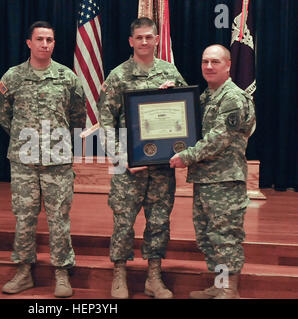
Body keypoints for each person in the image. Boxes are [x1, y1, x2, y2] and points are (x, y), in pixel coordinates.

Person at [97, 17, 187, 299]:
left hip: (161, 166)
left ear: (157, 39)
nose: (145, 42)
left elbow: (186, 111)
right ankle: (119, 275)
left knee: (159, 220)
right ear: (131, 41)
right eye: (140, 38)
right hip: (128, 167)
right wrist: (122, 158)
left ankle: (154, 276)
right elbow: (105, 122)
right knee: (123, 221)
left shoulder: (169, 72)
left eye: (150, 37)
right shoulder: (118, 75)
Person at [0, 21, 86, 298]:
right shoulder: (12, 77)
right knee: (24, 217)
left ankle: (61, 271)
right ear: (29, 43)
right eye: (40, 39)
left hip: (57, 160)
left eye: (49, 40)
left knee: (59, 218)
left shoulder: (67, 77)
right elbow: (3, 113)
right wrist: (26, 139)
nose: (45, 44)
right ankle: (23, 270)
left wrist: (53, 141)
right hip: (24, 160)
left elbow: (77, 116)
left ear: (54, 44)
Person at [170, 44, 256, 299]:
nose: (209, 66)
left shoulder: (232, 98)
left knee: (225, 235)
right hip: (207, 180)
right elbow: (187, 119)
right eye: (205, 61)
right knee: (208, 235)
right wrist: (169, 98)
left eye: (215, 62)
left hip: (225, 181)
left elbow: (219, 139)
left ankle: (229, 288)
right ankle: (219, 285)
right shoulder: (208, 96)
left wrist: (186, 156)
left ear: (228, 65)